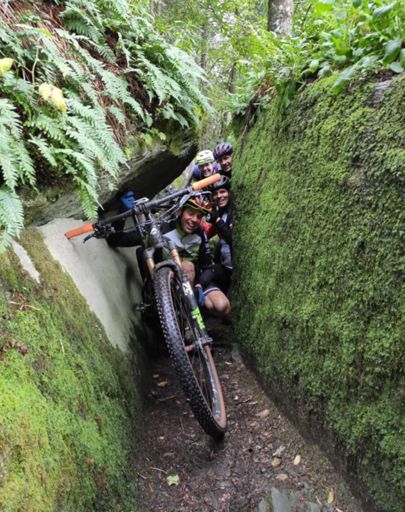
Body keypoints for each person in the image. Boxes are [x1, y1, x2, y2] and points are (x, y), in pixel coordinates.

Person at [107, 193, 231, 317]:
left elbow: (207, 266)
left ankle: (191, 311)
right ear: (180, 212)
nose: (194, 220)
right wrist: (123, 214)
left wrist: (199, 285)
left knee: (222, 306)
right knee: (186, 266)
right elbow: (116, 239)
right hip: (165, 282)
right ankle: (179, 313)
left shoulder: (200, 234)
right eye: (190, 213)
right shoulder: (162, 228)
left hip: (192, 283)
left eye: (199, 216)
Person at [199, 176, 233, 319]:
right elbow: (207, 233)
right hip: (225, 267)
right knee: (208, 272)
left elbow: (232, 239)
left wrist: (217, 220)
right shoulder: (220, 213)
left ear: (229, 192)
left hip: (234, 269)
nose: (219, 196)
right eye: (215, 194)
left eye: (222, 192)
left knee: (226, 311)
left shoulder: (232, 212)